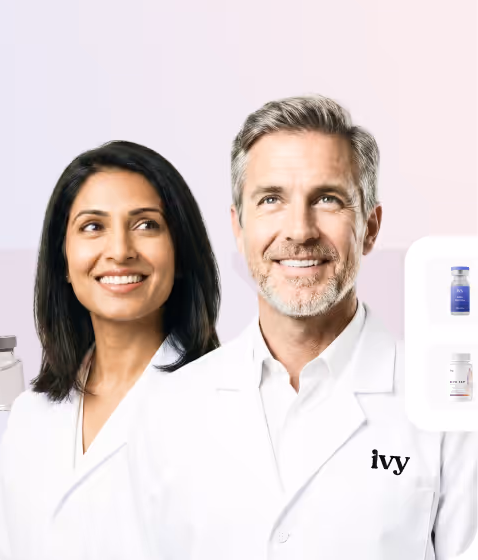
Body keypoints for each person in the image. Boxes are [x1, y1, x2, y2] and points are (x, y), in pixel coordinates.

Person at [128, 95, 477, 560]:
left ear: (371, 227)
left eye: (327, 199)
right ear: (239, 228)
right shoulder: (169, 409)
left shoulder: (450, 404)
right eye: (271, 199)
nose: (299, 230)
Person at [0, 140, 220, 560]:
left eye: (146, 224)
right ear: (63, 261)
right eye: (92, 226)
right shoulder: (31, 416)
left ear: (180, 254)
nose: (120, 250)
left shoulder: (227, 408)